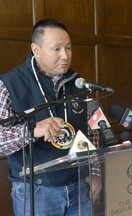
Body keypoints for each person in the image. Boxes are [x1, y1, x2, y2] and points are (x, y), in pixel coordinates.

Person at [0, 19, 102, 216]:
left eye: (69, 48)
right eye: (57, 49)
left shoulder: (77, 82)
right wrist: (31, 131)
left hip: (79, 187)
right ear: (36, 49)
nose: (65, 56)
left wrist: (94, 171)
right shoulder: (9, 84)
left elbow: (91, 132)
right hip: (36, 190)